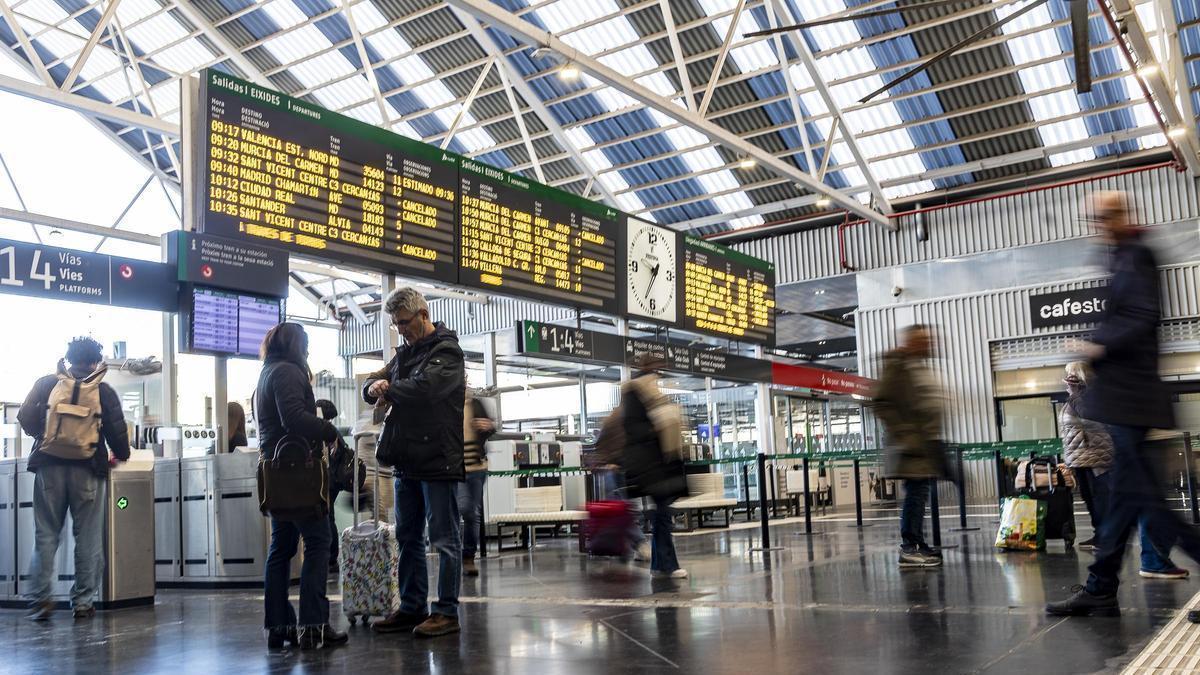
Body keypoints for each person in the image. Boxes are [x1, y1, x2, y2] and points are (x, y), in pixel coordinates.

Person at [1047, 191, 1200, 617]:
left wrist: (1093, 345)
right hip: (1128, 402)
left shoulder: (1135, 254)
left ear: (1119, 215)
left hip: (1132, 399)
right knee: (1125, 501)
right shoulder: (1123, 255)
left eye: (1103, 216)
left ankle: (1100, 587)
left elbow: (1139, 317)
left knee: (1147, 502)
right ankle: (1099, 586)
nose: (1098, 225)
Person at [364, 287, 466, 638]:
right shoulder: (403, 355)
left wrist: (388, 389)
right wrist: (374, 386)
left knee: (444, 539)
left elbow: (426, 389)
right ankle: (412, 608)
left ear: (423, 314)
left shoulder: (447, 352)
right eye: (396, 324)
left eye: (405, 322)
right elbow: (372, 381)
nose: (401, 329)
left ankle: (447, 612)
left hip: (438, 461)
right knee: (407, 537)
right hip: (406, 462)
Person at [18, 337, 130, 621]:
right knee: (88, 538)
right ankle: (83, 602)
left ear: (68, 359)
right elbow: (118, 434)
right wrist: (120, 454)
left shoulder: (47, 384)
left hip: (49, 468)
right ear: (95, 361)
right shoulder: (102, 390)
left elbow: (25, 416)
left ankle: (41, 600)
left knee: (46, 535)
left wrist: (43, 437)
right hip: (88, 469)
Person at [255, 323, 347, 650]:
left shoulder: (266, 372)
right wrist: (330, 431)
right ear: (296, 345)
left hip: (276, 474)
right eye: (306, 345)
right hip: (299, 475)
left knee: (281, 549)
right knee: (318, 542)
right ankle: (313, 625)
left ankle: (279, 627)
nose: (308, 352)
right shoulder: (288, 372)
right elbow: (293, 417)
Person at [1060, 363, 1184, 576]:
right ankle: (1138, 563)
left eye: (1071, 373)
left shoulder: (1090, 394)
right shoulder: (1087, 393)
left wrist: (1077, 393)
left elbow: (1092, 419)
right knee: (1129, 509)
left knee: (1130, 508)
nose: (1068, 378)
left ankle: (1139, 563)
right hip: (1093, 457)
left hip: (1101, 457)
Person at [873, 324, 946, 569]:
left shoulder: (917, 365)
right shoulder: (897, 365)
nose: (929, 344)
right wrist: (905, 434)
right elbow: (882, 402)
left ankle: (917, 541)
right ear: (911, 342)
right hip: (910, 445)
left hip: (923, 444)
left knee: (920, 493)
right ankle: (909, 548)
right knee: (915, 494)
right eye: (924, 340)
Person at [621, 352, 687, 579]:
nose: (659, 371)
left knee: (663, 513)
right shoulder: (634, 390)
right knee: (663, 513)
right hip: (649, 466)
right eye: (657, 367)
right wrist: (658, 425)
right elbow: (632, 427)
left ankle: (661, 565)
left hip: (659, 463)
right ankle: (665, 565)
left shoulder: (651, 390)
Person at [460, 389, 495, 577]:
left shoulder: (476, 404)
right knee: (463, 509)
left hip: (476, 467)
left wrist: (487, 426)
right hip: (455, 468)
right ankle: (456, 553)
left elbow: (491, 429)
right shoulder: (446, 404)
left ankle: (468, 556)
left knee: (470, 512)